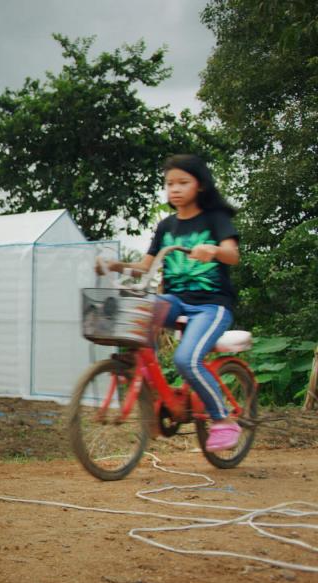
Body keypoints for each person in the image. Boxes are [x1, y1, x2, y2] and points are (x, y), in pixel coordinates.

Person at [98, 155, 242, 451]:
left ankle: (222, 420)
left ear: (199, 186)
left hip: (211, 306)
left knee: (185, 360)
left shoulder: (215, 218)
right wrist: (114, 266)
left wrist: (212, 250)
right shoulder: (166, 226)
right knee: (138, 312)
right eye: (169, 184)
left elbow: (232, 254)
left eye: (182, 183)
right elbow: (145, 266)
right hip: (176, 300)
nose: (174, 189)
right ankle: (152, 391)